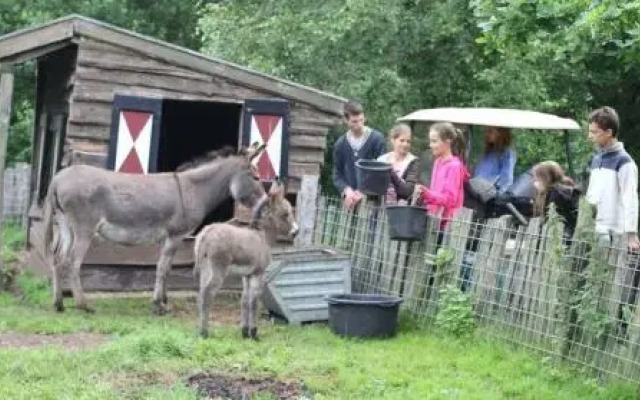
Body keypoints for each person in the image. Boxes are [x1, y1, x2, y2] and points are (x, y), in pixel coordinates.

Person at [585, 106, 639, 252]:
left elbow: (630, 199)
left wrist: (631, 234)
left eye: (594, 132)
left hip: (614, 234)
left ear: (609, 132)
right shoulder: (596, 160)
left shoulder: (624, 162)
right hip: (595, 230)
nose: (590, 136)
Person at [332, 100, 386, 210]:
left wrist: (363, 191)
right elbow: (337, 173)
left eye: (361, 120)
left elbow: (382, 172)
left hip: (371, 202)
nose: (359, 124)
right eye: (355, 121)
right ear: (346, 120)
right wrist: (347, 190)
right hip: (349, 201)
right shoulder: (341, 144)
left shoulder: (377, 140)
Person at [417, 122, 469, 225]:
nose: (431, 145)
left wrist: (427, 194)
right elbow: (435, 192)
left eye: (434, 141)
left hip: (447, 225)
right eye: (430, 141)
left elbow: (450, 200)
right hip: (433, 219)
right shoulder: (437, 162)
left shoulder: (455, 166)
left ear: (447, 142)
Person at [532, 161, 580, 239]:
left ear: (546, 178)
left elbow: (553, 220)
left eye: (537, 180)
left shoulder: (555, 194)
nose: (534, 183)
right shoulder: (564, 189)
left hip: (562, 237)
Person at [376, 124, 421, 204]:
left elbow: (407, 192)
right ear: (393, 140)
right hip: (380, 208)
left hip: (400, 210)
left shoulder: (413, 162)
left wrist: (391, 172)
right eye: (402, 140)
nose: (405, 144)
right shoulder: (381, 160)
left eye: (408, 141)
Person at [473, 126, 517, 192]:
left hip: (488, 195)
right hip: (477, 190)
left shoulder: (507, 152)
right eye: (486, 131)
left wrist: (497, 197)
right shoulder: (490, 150)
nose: (487, 134)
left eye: (490, 131)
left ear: (500, 134)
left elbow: (506, 179)